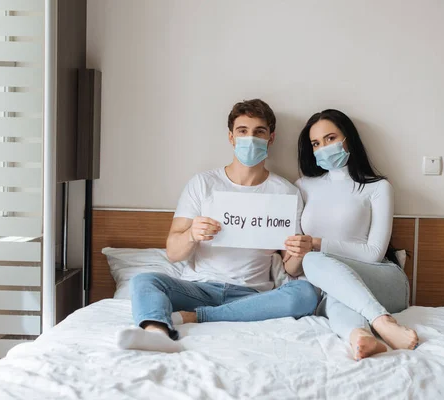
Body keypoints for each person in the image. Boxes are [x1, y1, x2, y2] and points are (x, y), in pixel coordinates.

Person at [117, 99, 319, 353]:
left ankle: (194, 317)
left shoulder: (287, 192)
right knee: (144, 281)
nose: (250, 138)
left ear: (271, 138)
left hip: (253, 295)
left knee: (306, 293)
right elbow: (172, 252)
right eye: (243, 131)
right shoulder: (203, 184)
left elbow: (289, 267)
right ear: (231, 137)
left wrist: (299, 252)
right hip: (199, 287)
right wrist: (192, 234)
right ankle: (157, 332)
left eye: (259, 132)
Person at [294, 109, 419, 360]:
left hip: (381, 278)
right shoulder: (303, 186)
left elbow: (374, 254)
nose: (323, 148)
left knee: (313, 259)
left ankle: (381, 320)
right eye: (316, 143)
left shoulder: (377, 187)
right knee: (332, 293)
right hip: (332, 283)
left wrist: (318, 243)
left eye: (330, 138)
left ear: (347, 138)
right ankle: (360, 338)